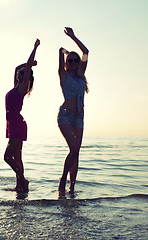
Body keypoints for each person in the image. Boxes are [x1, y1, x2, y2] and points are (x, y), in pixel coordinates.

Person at [4, 39, 40, 193]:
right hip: (12, 123)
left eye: (23, 73)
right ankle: (20, 185)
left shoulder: (23, 87)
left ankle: (23, 180)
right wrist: (27, 66)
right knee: (17, 157)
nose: (20, 73)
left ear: (27, 78)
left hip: (17, 123)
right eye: (20, 72)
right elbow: (16, 68)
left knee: (7, 157)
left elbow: (25, 69)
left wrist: (34, 49)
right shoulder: (16, 86)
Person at [57, 27, 89, 196]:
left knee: (76, 152)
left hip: (79, 117)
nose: (74, 63)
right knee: (74, 149)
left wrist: (73, 36)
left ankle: (72, 187)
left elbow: (86, 51)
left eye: (76, 61)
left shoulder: (81, 75)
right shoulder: (63, 75)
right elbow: (61, 56)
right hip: (65, 116)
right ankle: (63, 180)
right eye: (71, 61)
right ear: (66, 63)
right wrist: (62, 52)